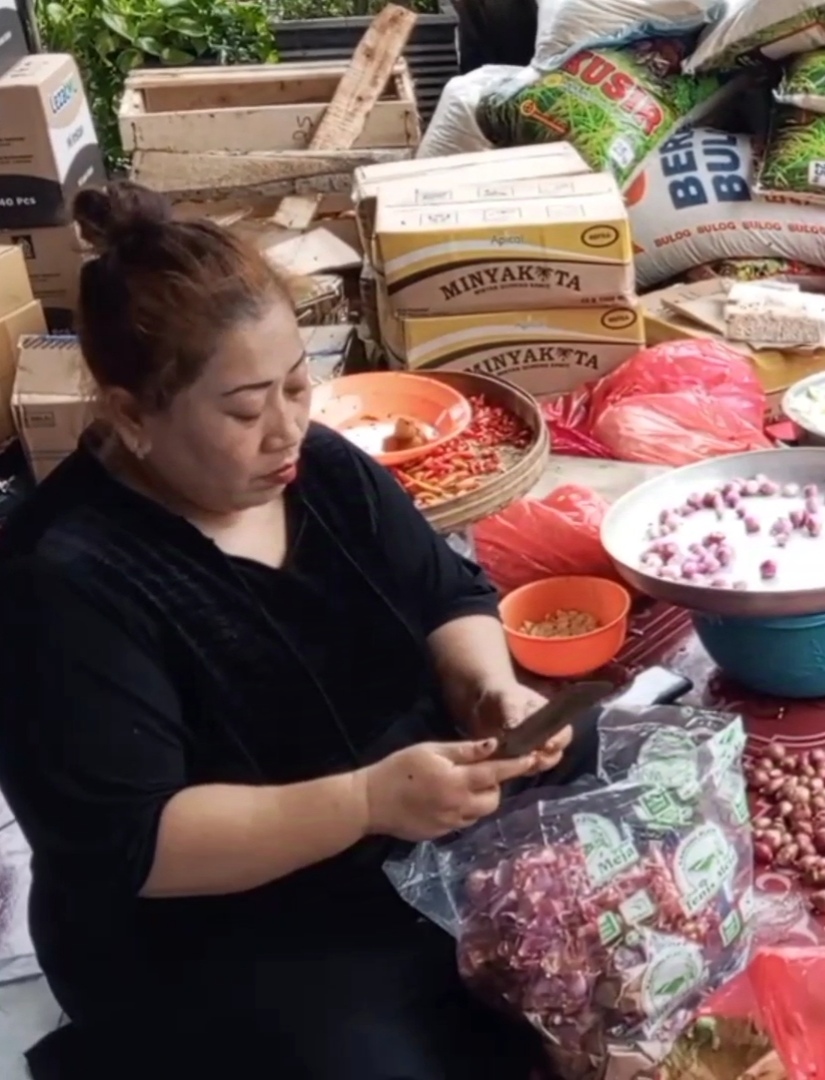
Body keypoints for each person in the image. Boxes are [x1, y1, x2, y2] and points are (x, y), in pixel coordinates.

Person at [0, 183, 575, 1078]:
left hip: (409, 810)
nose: (287, 427)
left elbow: (446, 593)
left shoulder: (320, 467)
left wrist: (486, 690)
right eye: (243, 409)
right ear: (131, 416)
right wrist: (364, 803)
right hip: (222, 916)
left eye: (298, 385)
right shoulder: (61, 581)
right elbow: (134, 845)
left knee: (622, 813)